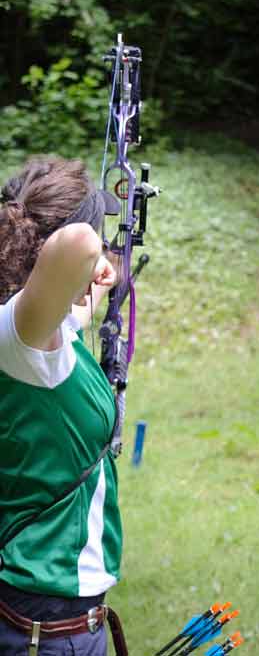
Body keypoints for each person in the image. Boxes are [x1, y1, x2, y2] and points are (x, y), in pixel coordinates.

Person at [0, 155, 124, 656]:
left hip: (47, 608)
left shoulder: (38, 335)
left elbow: (64, 319)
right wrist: (86, 238)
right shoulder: (19, 336)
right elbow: (79, 243)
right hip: (47, 618)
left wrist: (96, 286)